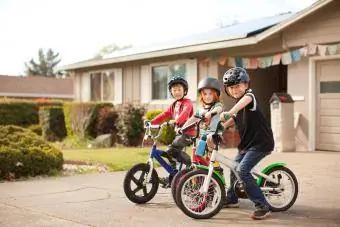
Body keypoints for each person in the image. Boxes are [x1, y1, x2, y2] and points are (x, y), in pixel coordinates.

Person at [219, 67, 274, 220]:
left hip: (261, 143)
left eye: (237, 86)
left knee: (242, 170)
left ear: (245, 84)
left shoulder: (249, 97)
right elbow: (232, 120)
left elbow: (241, 104)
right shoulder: (239, 105)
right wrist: (218, 129)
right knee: (233, 166)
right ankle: (232, 197)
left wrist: (230, 111)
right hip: (247, 145)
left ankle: (262, 206)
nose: (234, 90)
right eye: (231, 87)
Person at [149, 75, 194, 188]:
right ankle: (173, 176)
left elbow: (185, 113)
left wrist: (176, 121)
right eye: (174, 90)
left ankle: (191, 164)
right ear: (171, 92)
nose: (177, 92)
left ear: (185, 91)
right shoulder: (174, 105)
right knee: (170, 153)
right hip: (180, 134)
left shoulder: (187, 102)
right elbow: (164, 114)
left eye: (179, 89)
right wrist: (151, 122)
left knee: (171, 149)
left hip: (189, 133)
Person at [181, 76, 224, 173]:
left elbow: (219, 109)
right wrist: (183, 128)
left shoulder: (217, 105)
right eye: (205, 94)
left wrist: (211, 113)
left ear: (216, 94)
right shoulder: (200, 108)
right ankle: (201, 171)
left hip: (214, 135)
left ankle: (217, 169)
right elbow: (193, 118)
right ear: (201, 95)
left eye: (210, 94)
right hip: (202, 136)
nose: (207, 96)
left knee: (209, 145)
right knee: (198, 153)